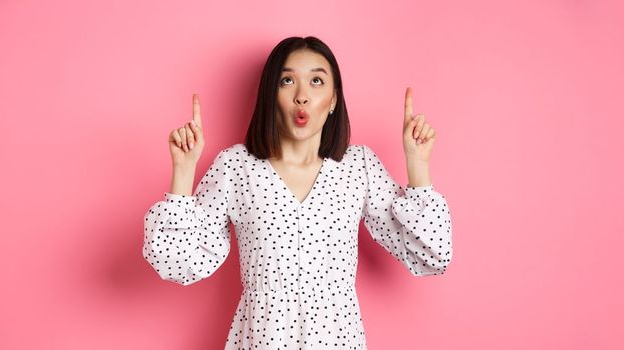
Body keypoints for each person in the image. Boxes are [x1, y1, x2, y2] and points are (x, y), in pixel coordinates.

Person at [143, 36, 453, 349]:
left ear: (333, 99)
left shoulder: (359, 166)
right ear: (270, 94)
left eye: (317, 81)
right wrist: (183, 170)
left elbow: (431, 255)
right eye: (287, 80)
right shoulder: (236, 166)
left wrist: (417, 163)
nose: (301, 96)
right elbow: (176, 262)